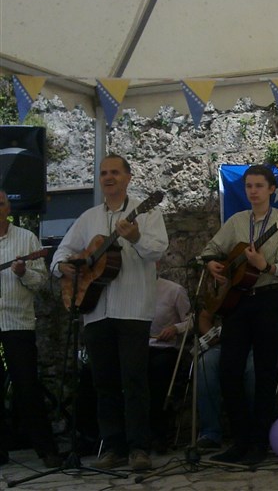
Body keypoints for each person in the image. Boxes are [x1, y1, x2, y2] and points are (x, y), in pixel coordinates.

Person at [51, 154, 168, 471]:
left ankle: (139, 448)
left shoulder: (147, 211)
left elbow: (159, 250)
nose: (108, 177)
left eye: (115, 172)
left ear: (128, 177)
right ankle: (113, 447)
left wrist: (136, 237)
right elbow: (61, 253)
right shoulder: (88, 218)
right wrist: (64, 267)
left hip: (133, 308)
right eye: (103, 173)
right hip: (95, 311)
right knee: (103, 382)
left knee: (134, 380)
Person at [201, 164, 278, 465]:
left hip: (270, 300)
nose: (253, 191)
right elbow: (210, 250)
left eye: (259, 186)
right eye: (249, 186)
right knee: (229, 369)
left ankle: (259, 443)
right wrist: (211, 264)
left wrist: (264, 265)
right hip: (238, 303)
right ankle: (240, 441)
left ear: (271, 189)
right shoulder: (237, 221)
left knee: (265, 373)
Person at [0, 189, 62, 469]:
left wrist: (24, 272)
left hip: (17, 322)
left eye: (0, 203)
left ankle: (46, 449)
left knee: (27, 386)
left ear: (8, 208)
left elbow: (41, 282)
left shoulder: (26, 239)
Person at [193, 308, 278, 451]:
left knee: (255, 369)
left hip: (256, 347)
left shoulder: (268, 296)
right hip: (227, 345)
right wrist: (211, 335)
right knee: (206, 363)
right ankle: (210, 433)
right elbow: (204, 316)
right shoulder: (227, 294)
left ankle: (256, 432)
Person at [148, 274, 191, 453]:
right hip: (137, 349)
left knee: (158, 372)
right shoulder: (131, 292)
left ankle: (158, 435)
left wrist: (175, 328)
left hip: (164, 348)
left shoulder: (174, 290)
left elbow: (191, 321)